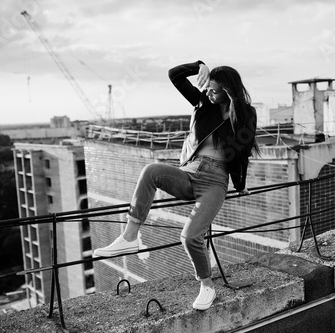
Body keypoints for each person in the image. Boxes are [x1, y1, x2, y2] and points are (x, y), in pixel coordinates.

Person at [93, 60, 259, 311]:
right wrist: (198, 66)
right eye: (209, 88)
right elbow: (174, 76)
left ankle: (206, 285)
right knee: (151, 171)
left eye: (215, 89)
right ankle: (130, 237)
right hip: (190, 172)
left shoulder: (246, 112)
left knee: (191, 236)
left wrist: (240, 185)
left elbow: (242, 151)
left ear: (228, 90)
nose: (209, 92)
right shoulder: (202, 102)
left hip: (215, 180)